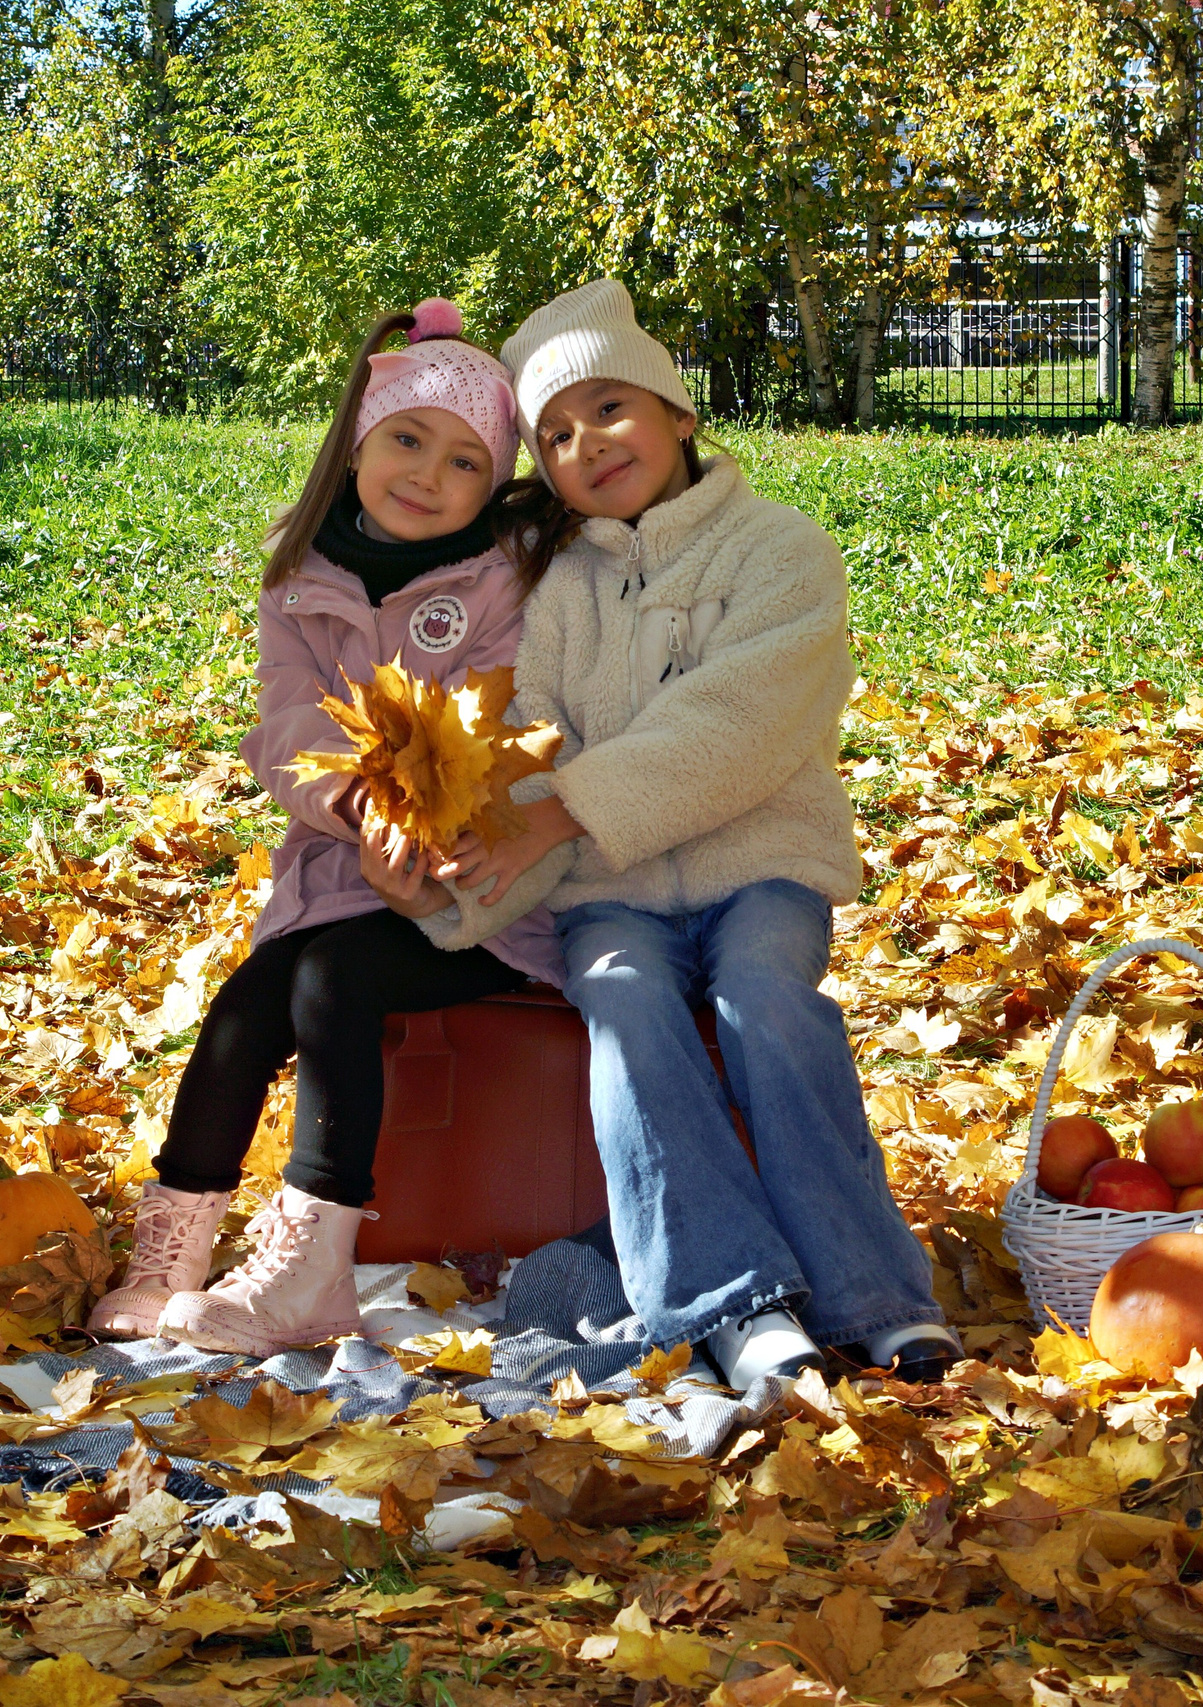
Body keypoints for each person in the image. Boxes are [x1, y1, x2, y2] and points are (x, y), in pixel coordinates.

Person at [434, 279, 960, 1393]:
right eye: (558, 434)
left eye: (611, 408)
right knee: (622, 998)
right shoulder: (559, 589)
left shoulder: (777, 551)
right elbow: (532, 734)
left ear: (680, 413)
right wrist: (484, 846)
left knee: (764, 998)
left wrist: (575, 802)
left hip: (759, 863)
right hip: (607, 888)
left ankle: (876, 1296)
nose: (589, 443)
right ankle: (731, 1302)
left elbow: (742, 716)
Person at [88, 299, 559, 1357]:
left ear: (494, 489)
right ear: (359, 440)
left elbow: (514, 727)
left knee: (333, 982)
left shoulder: (502, 583)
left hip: (486, 886)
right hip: (344, 868)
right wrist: (351, 803)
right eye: (406, 441)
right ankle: (172, 1248)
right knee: (250, 1005)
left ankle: (313, 1263)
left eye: (463, 464)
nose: (426, 476)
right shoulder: (299, 579)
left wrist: (433, 836)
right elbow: (288, 724)